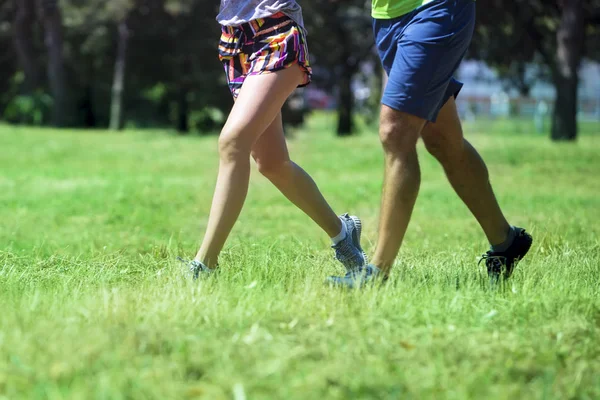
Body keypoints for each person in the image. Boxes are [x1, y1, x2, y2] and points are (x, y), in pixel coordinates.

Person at [327, 0, 533, 288]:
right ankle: (506, 241)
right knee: (442, 139)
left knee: (395, 130)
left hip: (435, 8)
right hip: (388, 15)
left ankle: (376, 272)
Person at [179, 0, 367, 278]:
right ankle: (342, 232)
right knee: (272, 163)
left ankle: (204, 265)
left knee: (233, 142)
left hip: (276, 30)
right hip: (235, 38)